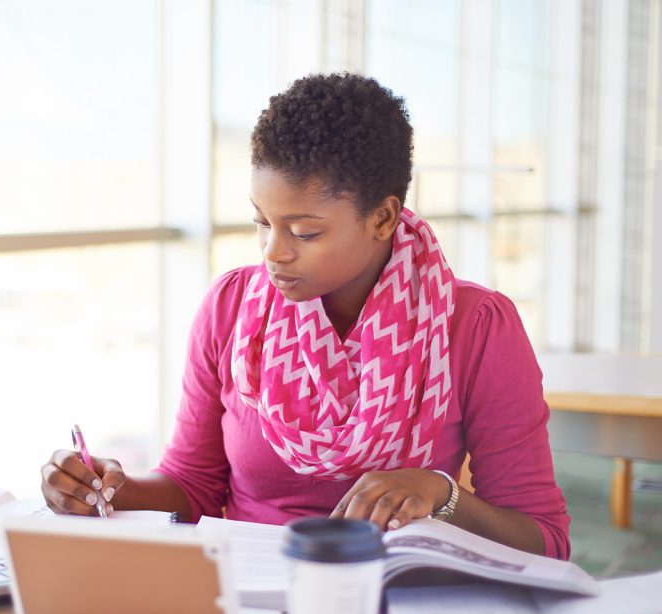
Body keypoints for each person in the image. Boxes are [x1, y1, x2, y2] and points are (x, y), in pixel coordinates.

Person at [41, 73, 570, 559]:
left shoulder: (474, 326)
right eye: (262, 222)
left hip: (400, 598)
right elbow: (194, 487)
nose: (273, 252)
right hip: (249, 590)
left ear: (383, 218)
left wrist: (440, 493)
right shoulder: (230, 310)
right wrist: (109, 488)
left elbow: (544, 540)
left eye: (304, 232)